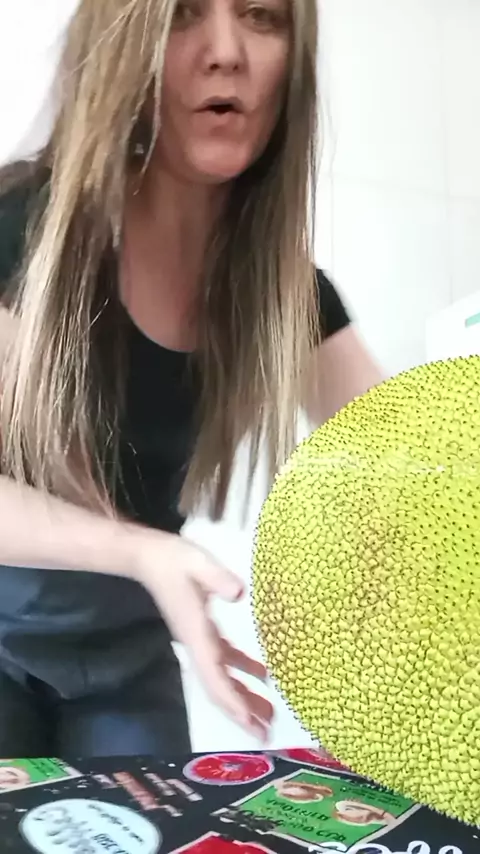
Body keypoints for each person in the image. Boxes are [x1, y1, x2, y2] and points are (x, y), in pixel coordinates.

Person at [0, 0, 381, 758]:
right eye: (183, 16)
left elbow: (415, 469)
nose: (226, 51)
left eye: (262, 17)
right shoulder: (21, 233)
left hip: (127, 656)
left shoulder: (287, 296)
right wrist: (145, 552)